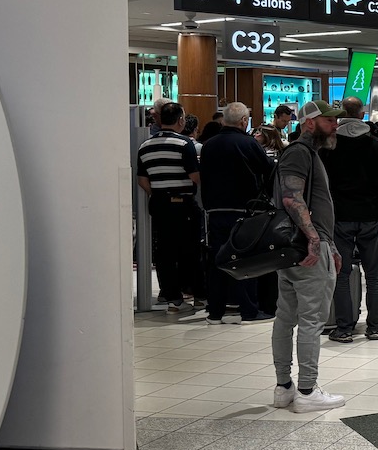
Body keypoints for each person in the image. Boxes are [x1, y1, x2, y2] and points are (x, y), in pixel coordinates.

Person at [271, 101, 347, 414]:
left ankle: (284, 387)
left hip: (293, 250)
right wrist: (316, 239)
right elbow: (292, 197)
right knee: (311, 321)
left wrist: (331, 243)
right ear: (310, 123)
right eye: (330, 121)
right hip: (307, 250)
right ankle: (306, 389)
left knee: (286, 318)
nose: (336, 126)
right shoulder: (300, 152)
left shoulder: (305, 153)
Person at [320, 96, 378, 343]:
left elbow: (323, 184)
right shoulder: (375, 145)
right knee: (374, 274)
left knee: (341, 274)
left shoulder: (330, 144)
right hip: (370, 215)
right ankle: (374, 326)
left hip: (340, 216)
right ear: (363, 115)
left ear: (341, 114)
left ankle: (344, 327)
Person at [199, 102, 274, 325]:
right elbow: (268, 169)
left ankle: (215, 312)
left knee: (217, 260)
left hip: (214, 210)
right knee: (244, 260)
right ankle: (249, 311)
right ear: (243, 121)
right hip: (243, 210)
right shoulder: (248, 143)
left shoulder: (209, 145)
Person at [136, 102, 203, 314]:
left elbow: (142, 179)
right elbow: (194, 175)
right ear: (181, 120)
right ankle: (190, 293)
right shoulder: (184, 143)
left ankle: (170, 295)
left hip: (159, 203)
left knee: (164, 251)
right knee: (189, 250)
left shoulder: (145, 145)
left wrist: (156, 193)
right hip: (182, 202)